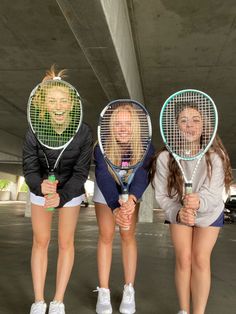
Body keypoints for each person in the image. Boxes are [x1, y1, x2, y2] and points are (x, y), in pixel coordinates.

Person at [23, 65, 93, 314]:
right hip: (42, 187)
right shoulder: (34, 129)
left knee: (66, 243)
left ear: (72, 104)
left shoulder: (83, 132)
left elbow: (80, 173)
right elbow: (29, 167)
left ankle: (58, 301)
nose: (59, 105)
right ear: (44, 105)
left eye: (64, 100)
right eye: (52, 101)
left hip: (70, 191)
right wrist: (39, 186)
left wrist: (62, 196)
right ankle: (39, 301)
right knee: (41, 241)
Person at [151, 102, 233, 314]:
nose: (190, 125)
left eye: (196, 120)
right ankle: (184, 310)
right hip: (179, 210)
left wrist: (199, 203)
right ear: (176, 127)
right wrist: (178, 212)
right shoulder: (164, 158)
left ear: (204, 127)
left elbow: (214, 194)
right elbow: (162, 195)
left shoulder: (216, 157)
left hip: (209, 211)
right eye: (183, 121)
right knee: (184, 258)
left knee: (200, 258)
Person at [93, 103, 154, 314]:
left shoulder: (146, 146)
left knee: (128, 236)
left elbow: (144, 173)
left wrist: (133, 199)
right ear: (111, 126)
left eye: (128, 123)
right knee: (106, 236)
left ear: (135, 126)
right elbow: (102, 175)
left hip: (131, 193)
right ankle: (104, 291)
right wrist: (114, 206)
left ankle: (129, 288)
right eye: (118, 123)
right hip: (106, 189)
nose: (123, 128)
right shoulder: (100, 146)